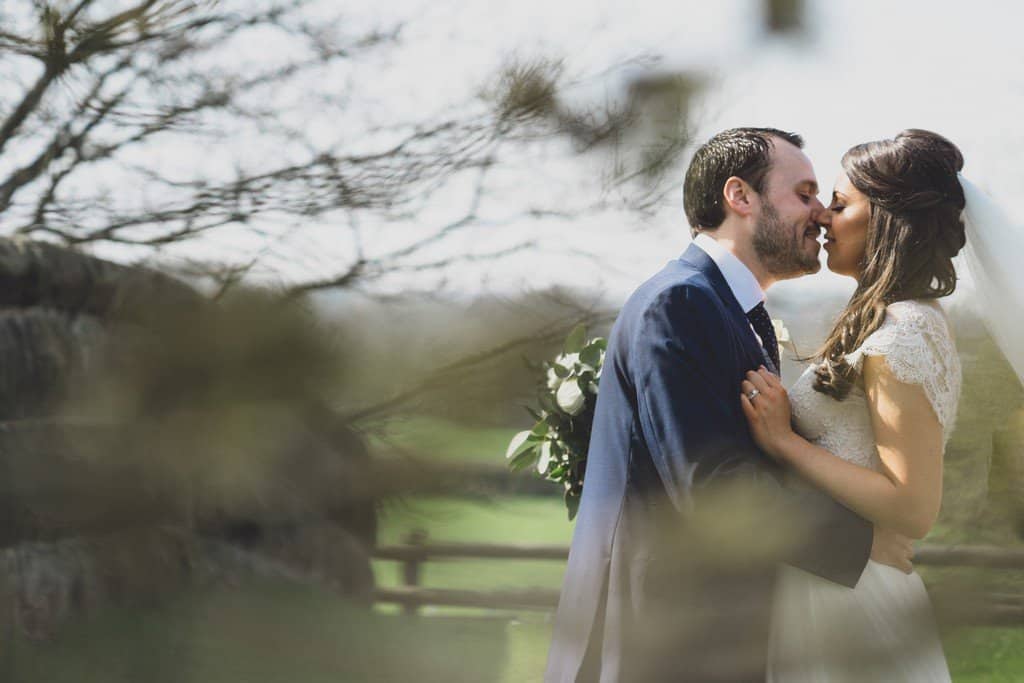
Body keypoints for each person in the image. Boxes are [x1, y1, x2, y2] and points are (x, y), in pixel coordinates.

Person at [544, 127, 913, 683]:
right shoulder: (680, 303)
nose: (820, 214)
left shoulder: (726, 307)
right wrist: (862, 542)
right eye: (804, 193)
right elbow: (711, 483)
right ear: (740, 197)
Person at [740, 129, 966, 681]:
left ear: (885, 219)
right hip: (829, 582)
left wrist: (784, 442)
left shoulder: (906, 332)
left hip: (855, 599)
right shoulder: (887, 320)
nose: (822, 217)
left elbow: (913, 507)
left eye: (839, 205)